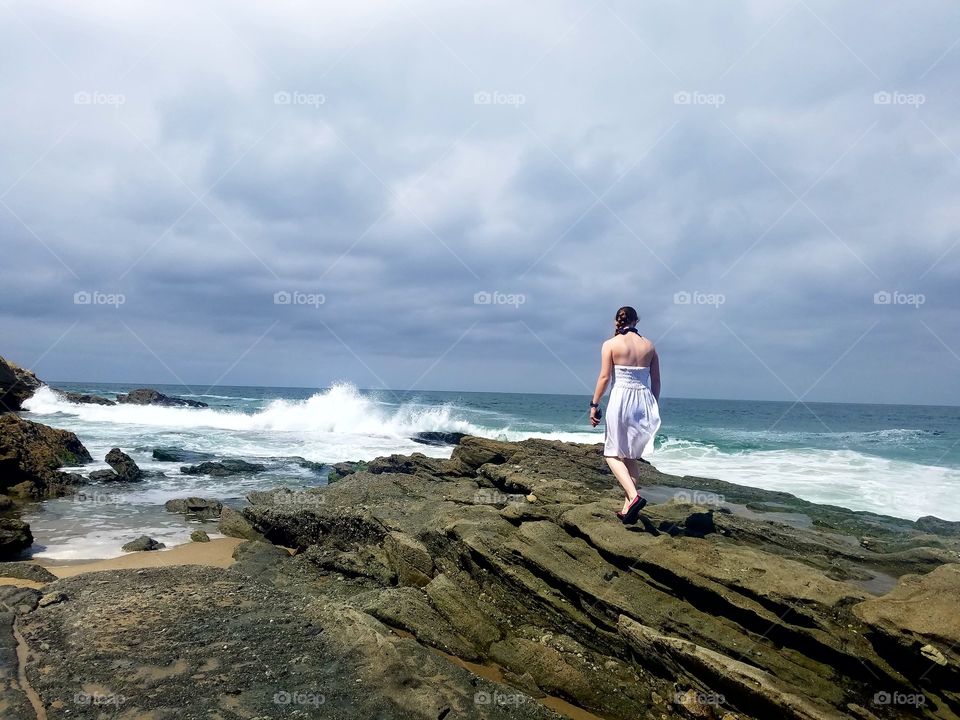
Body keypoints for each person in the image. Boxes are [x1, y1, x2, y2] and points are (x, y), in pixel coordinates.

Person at [589, 306, 661, 524]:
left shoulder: (610, 344)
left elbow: (604, 378)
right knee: (630, 457)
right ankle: (628, 508)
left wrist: (594, 404)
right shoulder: (650, 346)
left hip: (621, 398)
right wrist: (653, 405)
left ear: (617, 321)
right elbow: (656, 381)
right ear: (636, 321)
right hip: (644, 400)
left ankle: (634, 496)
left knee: (611, 453)